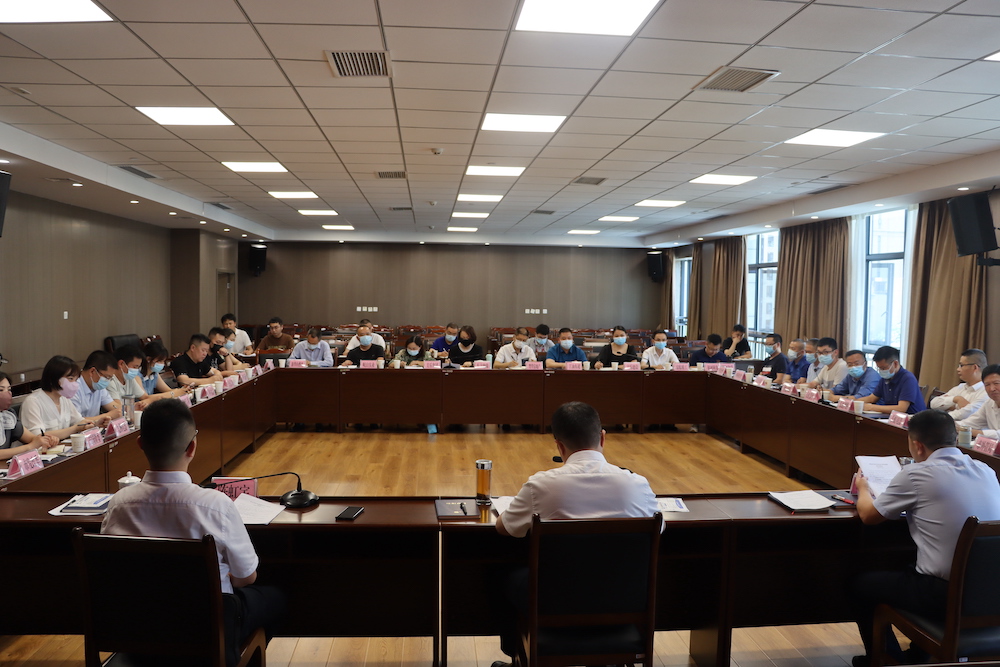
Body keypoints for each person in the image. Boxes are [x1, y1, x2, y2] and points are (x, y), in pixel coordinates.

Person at [101, 399, 284, 667]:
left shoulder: (118, 504)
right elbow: (247, 577)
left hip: (139, 628)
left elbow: (112, 572)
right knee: (276, 599)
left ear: (140, 444)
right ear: (192, 447)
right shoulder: (216, 505)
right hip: (205, 628)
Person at [494, 401, 660, 663]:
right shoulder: (637, 485)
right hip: (623, 601)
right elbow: (660, 528)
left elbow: (504, 528)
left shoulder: (541, 486)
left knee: (503, 572)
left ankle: (515, 655)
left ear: (559, 446)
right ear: (602, 437)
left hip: (554, 603)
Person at [850, 409, 1000, 667]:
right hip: (992, 590)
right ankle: (917, 655)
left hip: (946, 594)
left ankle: (886, 660)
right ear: (955, 439)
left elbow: (868, 515)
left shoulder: (916, 474)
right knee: (912, 568)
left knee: (859, 585)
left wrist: (863, 488)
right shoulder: (986, 470)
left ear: (917, 445)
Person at [20, 355, 106, 439]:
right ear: (54, 378)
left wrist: (95, 423)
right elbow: (38, 436)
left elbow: (79, 421)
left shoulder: (64, 399)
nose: (75, 384)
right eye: (70, 379)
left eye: (76, 380)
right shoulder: (33, 402)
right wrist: (75, 428)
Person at [0, 372, 59, 460]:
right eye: (1, 390)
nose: (7, 393)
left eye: (9, 389)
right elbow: (32, 444)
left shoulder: (8, 414)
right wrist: (29, 447)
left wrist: (46, 439)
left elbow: (32, 438)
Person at [857, 346, 926, 415]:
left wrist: (871, 407)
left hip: (912, 418)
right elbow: (872, 398)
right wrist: (855, 402)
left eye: (883, 368)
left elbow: (901, 408)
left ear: (895, 364)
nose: (881, 371)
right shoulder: (885, 378)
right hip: (892, 417)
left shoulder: (908, 378)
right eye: (879, 368)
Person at [930, 349, 988, 421]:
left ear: (974, 367)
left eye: (961, 365)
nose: (958, 369)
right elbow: (933, 404)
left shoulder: (986, 391)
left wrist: (949, 409)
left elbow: (966, 414)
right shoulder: (960, 387)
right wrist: (956, 399)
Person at [137, 340, 192, 410]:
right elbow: (145, 398)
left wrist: (181, 391)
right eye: (159, 361)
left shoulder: (154, 374)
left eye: (163, 361)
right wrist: (173, 393)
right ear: (148, 359)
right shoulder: (137, 375)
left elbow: (168, 390)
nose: (162, 364)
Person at [72, 350, 122, 421]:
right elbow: (76, 421)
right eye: (107, 377)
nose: (107, 381)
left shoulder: (97, 385)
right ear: (92, 371)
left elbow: (114, 406)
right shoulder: (73, 387)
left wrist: (132, 408)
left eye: (110, 378)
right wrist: (108, 415)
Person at [956, 364, 1000, 440]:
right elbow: (969, 423)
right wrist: (950, 425)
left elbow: (998, 434)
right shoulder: (988, 404)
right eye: (987, 385)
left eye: (996, 383)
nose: (992, 389)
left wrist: (970, 431)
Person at [107, 344, 150, 409]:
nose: (137, 370)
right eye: (135, 367)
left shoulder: (129, 378)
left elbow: (145, 398)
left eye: (138, 367)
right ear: (121, 364)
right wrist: (136, 406)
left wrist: (144, 404)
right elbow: (118, 408)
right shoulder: (110, 381)